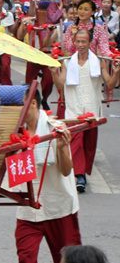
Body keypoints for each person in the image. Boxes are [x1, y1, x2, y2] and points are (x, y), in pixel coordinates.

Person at [12, 87, 81, 263]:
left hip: (58, 207)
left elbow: (66, 171)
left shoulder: (55, 129)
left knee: (68, 259)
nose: (13, 111)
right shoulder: (14, 132)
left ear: (33, 104)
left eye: (18, 106)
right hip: (28, 209)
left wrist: (61, 148)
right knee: (25, 258)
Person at [51, 29, 119, 192]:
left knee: (89, 143)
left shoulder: (100, 62)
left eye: (83, 42)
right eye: (78, 41)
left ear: (90, 43)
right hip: (73, 109)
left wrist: (116, 72)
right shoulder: (67, 61)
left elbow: (110, 84)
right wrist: (54, 73)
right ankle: (79, 175)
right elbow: (60, 85)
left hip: (92, 108)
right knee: (75, 141)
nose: (80, 45)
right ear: (74, 43)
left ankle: (83, 171)